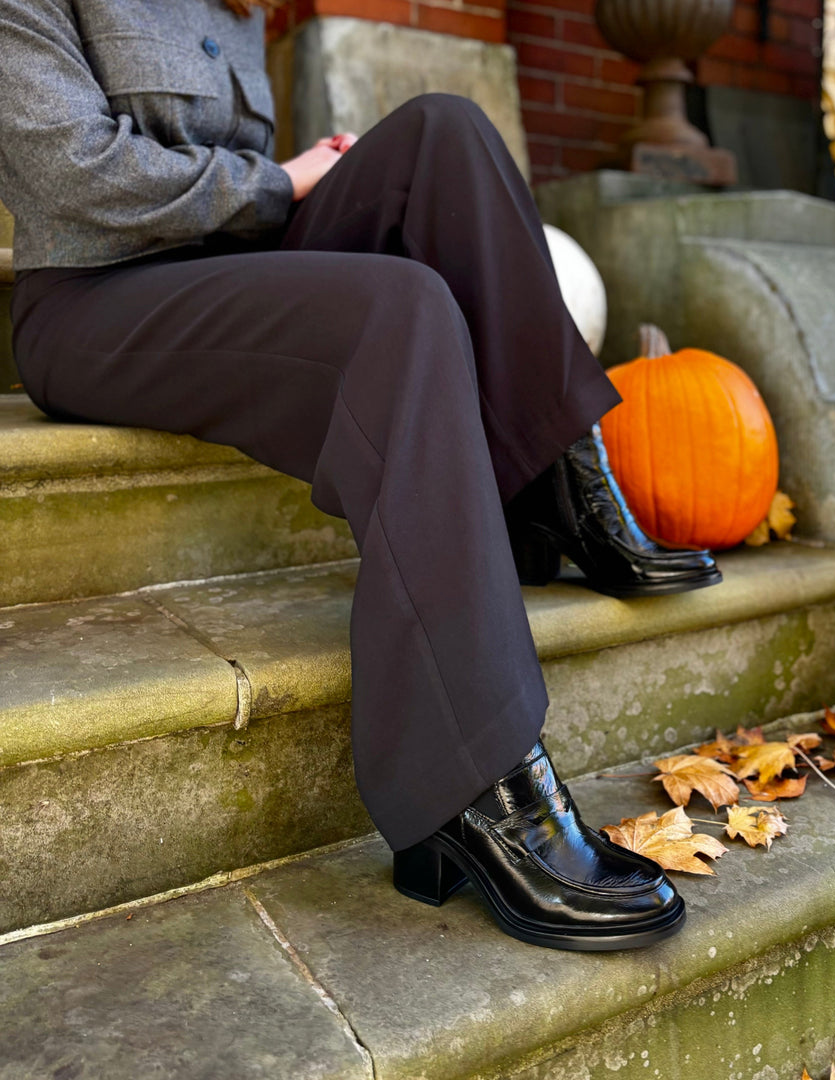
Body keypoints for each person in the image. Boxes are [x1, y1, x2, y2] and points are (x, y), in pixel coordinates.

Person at [0, 0, 724, 951]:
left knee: (444, 132)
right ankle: (471, 776)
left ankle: (556, 488)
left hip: (228, 269)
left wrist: (299, 183)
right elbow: (72, 176)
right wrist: (281, 181)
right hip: (94, 305)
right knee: (404, 310)